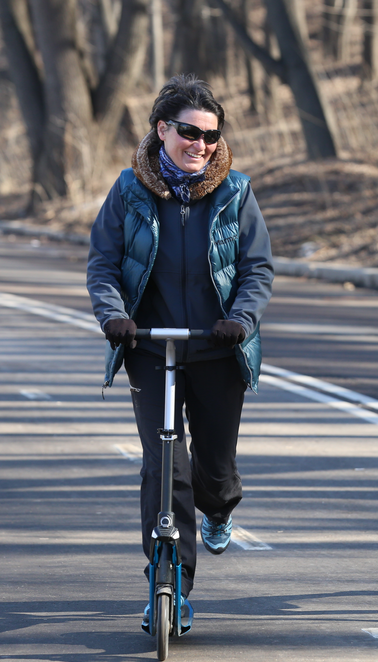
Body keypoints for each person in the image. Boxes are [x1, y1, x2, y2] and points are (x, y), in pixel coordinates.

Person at [87, 75, 274, 631]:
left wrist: (239, 320)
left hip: (218, 349)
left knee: (213, 471)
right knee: (164, 466)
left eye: (211, 136)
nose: (201, 144)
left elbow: (256, 269)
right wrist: (114, 317)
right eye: (190, 132)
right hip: (148, 348)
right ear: (162, 129)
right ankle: (170, 582)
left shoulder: (235, 191)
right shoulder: (128, 190)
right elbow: (103, 263)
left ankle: (221, 507)